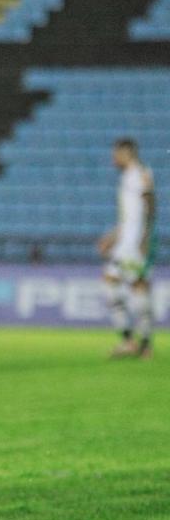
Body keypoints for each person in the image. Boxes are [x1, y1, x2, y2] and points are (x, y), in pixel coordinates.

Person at [99, 138, 156, 359]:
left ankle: (137, 343)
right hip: (125, 243)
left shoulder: (141, 173)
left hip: (134, 244)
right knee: (124, 284)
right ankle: (139, 343)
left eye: (116, 154)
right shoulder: (127, 177)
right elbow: (128, 218)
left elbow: (151, 205)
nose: (113, 158)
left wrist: (145, 238)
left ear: (126, 153)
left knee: (135, 286)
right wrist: (112, 237)